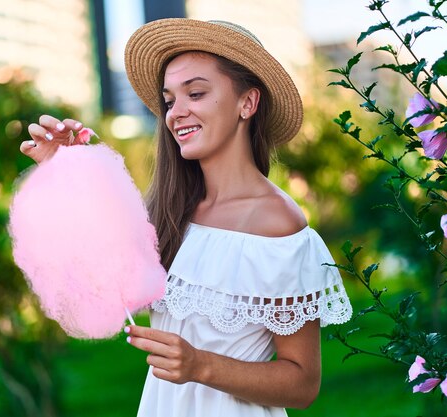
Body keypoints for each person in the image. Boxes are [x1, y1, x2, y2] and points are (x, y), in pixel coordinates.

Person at [21, 18, 352, 417]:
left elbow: (302, 384)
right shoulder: (171, 210)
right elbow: (100, 283)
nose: (177, 113)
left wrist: (201, 365)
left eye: (195, 93)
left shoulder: (277, 224)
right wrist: (68, 171)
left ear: (248, 102)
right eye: (170, 100)